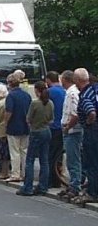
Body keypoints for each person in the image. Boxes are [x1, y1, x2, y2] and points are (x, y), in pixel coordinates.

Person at [16, 81, 53, 197]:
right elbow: (51, 119)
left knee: (30, 159)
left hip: (36, 131)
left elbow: (28, 119)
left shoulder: (35, 103)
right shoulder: (50, 103)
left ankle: (28, 187)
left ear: (37, 90)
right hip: (47, 131)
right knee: (44, 159)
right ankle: (43, 186)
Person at [70, 68, 98, 206]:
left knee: (92, 162)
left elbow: (91, 112)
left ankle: (93, 193)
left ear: (76, 80)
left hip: (92, 130)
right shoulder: (95, 89)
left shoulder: (85, 95)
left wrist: (89, 122)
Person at [58, 70, 82, 200]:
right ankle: (74, 184)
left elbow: (75, 113)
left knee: (73, 159)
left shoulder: (72, 94)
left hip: (72, 131)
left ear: (65, 80)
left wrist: (68, 127)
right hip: (72, 130)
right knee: (73, 159)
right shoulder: (71, 92)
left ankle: (75, 186)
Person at [4, 72, 31, 182]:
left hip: (14, 126)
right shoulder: (27, 95)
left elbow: (9, 111)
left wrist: (6, 123)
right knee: (24, 151)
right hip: (25, 126)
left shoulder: (11, 95)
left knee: (14, 151)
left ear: (9, 84)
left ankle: (15, 174)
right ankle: (25, 173)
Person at [45, 71, 66, 188]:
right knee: (59, 154)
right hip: (62, 126)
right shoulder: (64, 91)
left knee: (50, 154)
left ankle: (50, 180)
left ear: (48, 80)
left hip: (52, 126)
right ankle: (58, 178)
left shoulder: (49, 92)